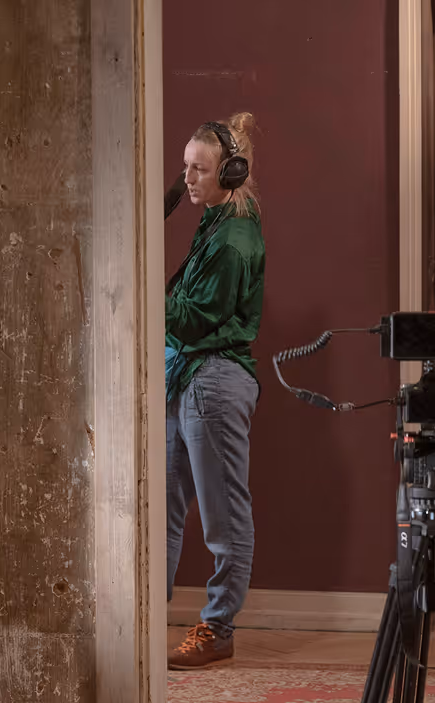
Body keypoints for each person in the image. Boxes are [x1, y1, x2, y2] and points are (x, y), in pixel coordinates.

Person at [166, 112, 266, 670]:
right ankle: (143, 617)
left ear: (230, 173)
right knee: (162, 505)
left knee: (223, 515)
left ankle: (218, 627)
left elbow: (192, 319)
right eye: (185, 167)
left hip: (214, 381)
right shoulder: (213, 220)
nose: (187, 178)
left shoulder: (233, 239)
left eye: (198, 169)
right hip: (186, 376)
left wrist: (143, 280)